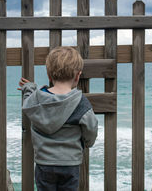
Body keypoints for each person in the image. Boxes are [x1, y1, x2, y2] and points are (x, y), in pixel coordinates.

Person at [18, 46, 98, 191]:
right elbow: (91, 127)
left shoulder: (38, 98)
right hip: (70, 163)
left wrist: (29, 88)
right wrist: (88, 142)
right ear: (77, 76)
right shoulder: (80, 101)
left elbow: (28, 101)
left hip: (44, 163)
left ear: (49, 75)